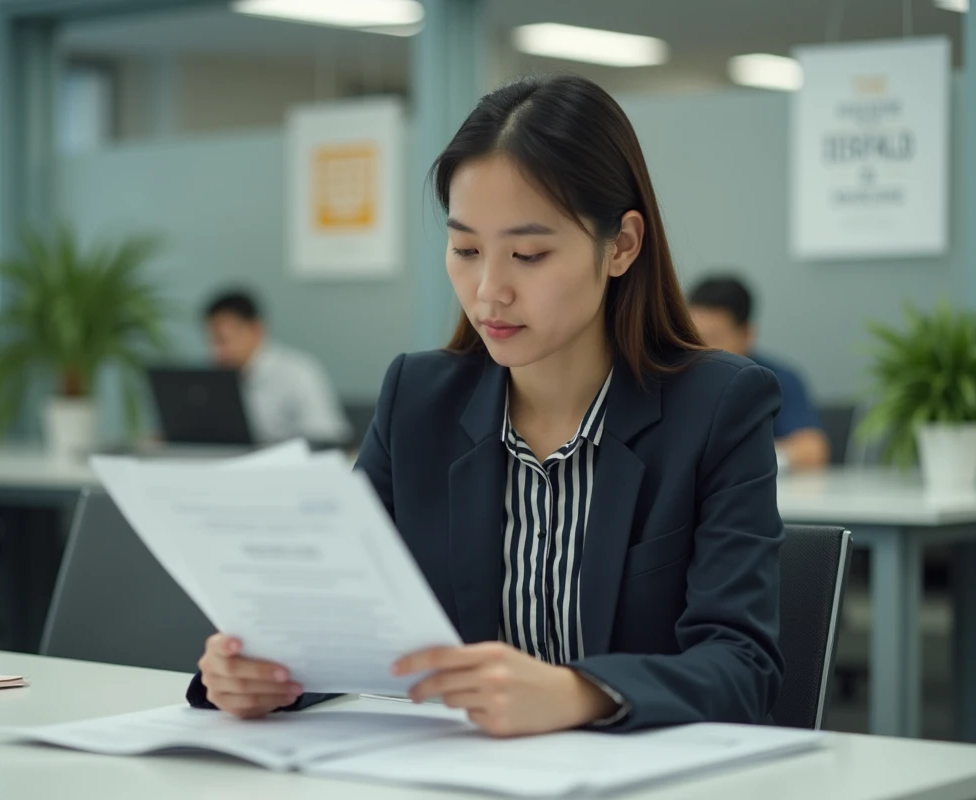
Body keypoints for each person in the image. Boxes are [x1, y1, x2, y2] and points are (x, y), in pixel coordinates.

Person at [190, 76, 785, 736]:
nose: (488, 291)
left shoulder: (719, 407)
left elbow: (742, 669)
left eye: (528, 254)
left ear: (621, 246)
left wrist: (579, 693)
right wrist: (261, 674)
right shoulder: (417, 401)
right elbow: (339, 622)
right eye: (466, 249)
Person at [687, 276, 830, 471]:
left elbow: (812, 452)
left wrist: (740, 456)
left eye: (714, 338)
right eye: (691, 337)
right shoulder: (676, 378)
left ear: (747, 334)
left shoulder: (777, 379)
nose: (701, 350)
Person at [204, 290, 352, 446]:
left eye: (222, 341)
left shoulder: (299, 372)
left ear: (256, 330)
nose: (215, 351)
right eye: (211, 342)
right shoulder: (215, 379)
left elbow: (327, 437)